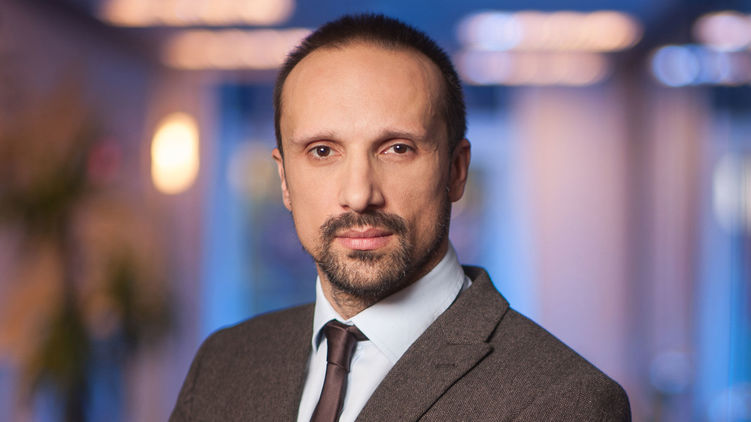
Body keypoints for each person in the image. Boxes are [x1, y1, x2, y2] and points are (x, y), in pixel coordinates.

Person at [170, 14, 631, 421]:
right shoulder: (222, 364)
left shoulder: (564, 402)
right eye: (323, 151)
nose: (359, 195)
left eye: (397, 148)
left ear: (456, 171)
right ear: (285, 179)